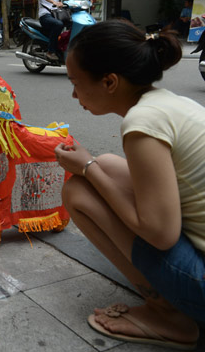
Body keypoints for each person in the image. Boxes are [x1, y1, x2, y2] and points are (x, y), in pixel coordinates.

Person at [54, 20, 204, 350]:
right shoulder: (166, 103)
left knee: (78, 190)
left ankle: (167, 314)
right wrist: (94, 166)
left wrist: (88, 168)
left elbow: (160, 234)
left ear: (109, 82)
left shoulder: (142, 124)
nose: (74, 94)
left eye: (76, 83)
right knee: (105, 164)